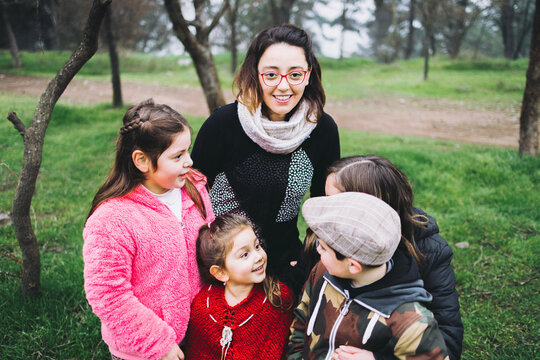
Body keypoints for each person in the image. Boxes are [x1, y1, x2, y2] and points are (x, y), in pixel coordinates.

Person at [191, 24, 340, 294]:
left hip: (288, 266)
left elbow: (326, 208)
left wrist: (308, 262)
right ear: (256, 74)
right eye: (271, 74)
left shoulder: (322, 129)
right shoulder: (223, 124)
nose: (284, 86)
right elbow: (190, 197)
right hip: (227, 270)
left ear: (308, 76)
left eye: (295, 74)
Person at [83, 99, 215, 360]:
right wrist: (160, 345)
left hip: (199, 334)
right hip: (145, 350)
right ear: (142, 161)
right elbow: (108, 295)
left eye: (187, 151)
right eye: (178, 156)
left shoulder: (195, 189)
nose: (189, 162)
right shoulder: (112, 220)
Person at [316, 155, 463, 360]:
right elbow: (307, 311)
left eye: (336, 203)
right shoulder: (330, 240)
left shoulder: (429, 251)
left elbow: (448, 342)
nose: (325, 211)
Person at [288, 192, 450, 360]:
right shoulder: (322, 271)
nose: (317, 250)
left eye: (322, 247)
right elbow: (301, 321)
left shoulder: (411, 324)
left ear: (353, 266)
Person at [184, 213, 295, 359]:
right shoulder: (204, 307)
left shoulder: (278, 299)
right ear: (221, 272)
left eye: (257, 246)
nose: (258, 256)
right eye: (244, 255)